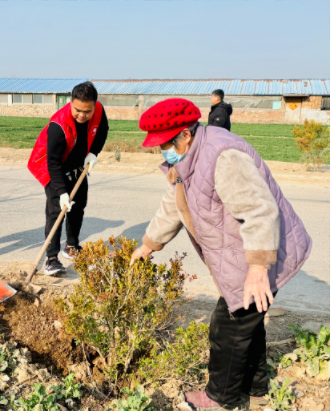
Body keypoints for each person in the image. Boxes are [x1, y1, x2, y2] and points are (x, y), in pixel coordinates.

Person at [132, 98, 311, 410]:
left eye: (164, 144)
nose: (161, 151)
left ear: (185, 135)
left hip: (259, 252)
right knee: (247, 325)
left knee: (227, 328)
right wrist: (149, 244)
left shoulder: (222, 156)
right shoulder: (186, 160)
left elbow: (259, 212)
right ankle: (256, 392)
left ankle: (219, 398)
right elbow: (174, 204)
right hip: (240, 253)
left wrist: (257, 270)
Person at [28, 81, 109, 275]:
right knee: (57, 210)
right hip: (52, 167)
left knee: (78, 205)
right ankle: (52, 259)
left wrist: (94, 153)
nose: (82, 115)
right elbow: (53, 163)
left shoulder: (98, 109)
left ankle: (71, 247)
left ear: (94, 105)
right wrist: (62, 192)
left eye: (87, 111)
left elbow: (103, 130)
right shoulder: (58, 124)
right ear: (70, 102)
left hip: (77, 166)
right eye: (77, 110)